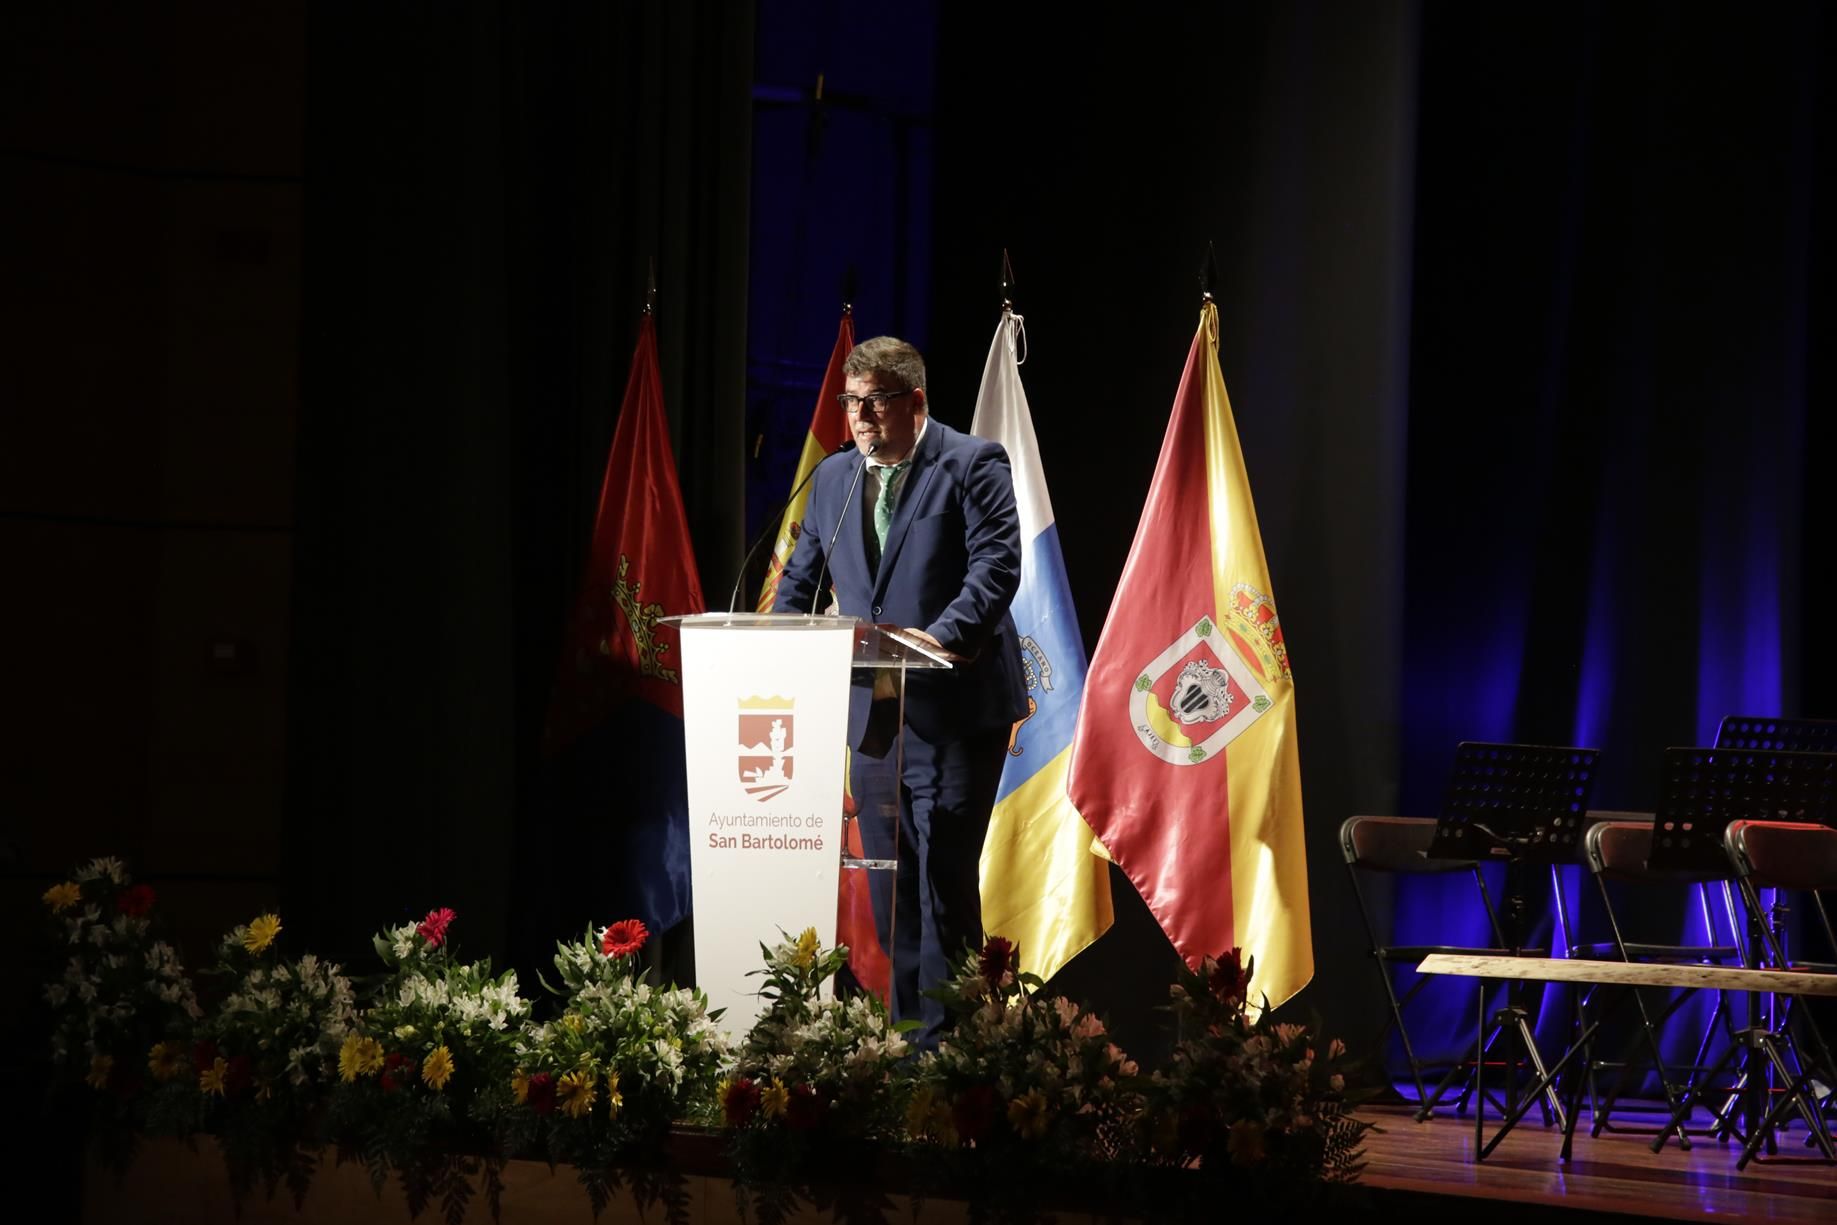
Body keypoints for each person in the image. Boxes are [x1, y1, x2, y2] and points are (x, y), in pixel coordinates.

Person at [773, 335, 1028, 1046]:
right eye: (850, 402)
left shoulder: (971, 463)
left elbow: (995, 567)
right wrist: (770, 643)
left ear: (914, 401)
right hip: (876, 718)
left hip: (952, 710)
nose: (859, 417)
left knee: (941, 875)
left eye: (874, 401)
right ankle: (912, 1037)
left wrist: (940, 637)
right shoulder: (833, 479)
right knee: (891, 889)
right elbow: (800, 579)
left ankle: (957, 1047)